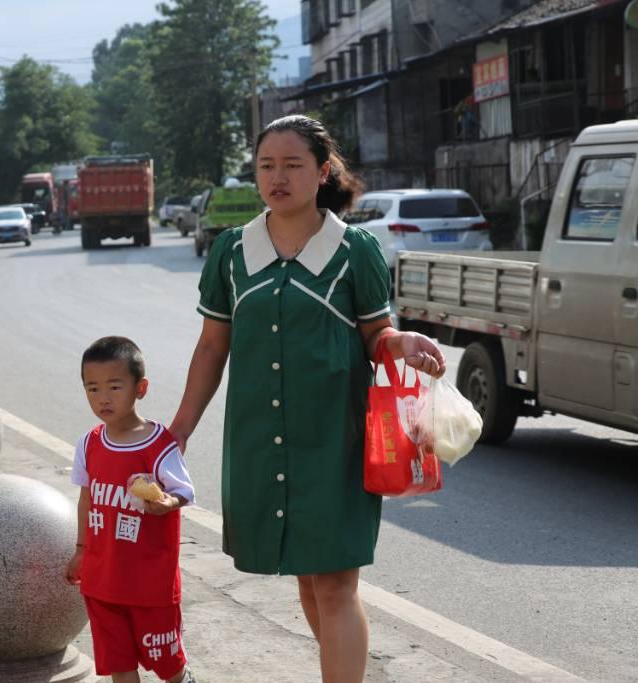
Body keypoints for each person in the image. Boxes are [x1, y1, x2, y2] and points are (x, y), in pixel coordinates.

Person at [168, 115, 446, 683]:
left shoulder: (355, 251)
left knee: (336, 583)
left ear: (322, 172)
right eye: (267, 165)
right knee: (307, 578)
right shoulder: (230, 253)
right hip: (259, 444)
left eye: (293, 165)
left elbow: (375, 336)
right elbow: (211, 346)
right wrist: (179, 429)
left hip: (335, 442)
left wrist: (401, 342)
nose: (278, 177)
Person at [65, 337, 199, 683]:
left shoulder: (159, 444)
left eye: (114, 386)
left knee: (168, 665)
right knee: (119, 664)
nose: (103, 398)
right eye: (92, 389)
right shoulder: (90, 442)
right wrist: (81, 551)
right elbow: (86, 498)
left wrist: (167, 502)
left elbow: (183, 491)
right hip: (102, 580)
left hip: (150, 584)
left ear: (140, 388)